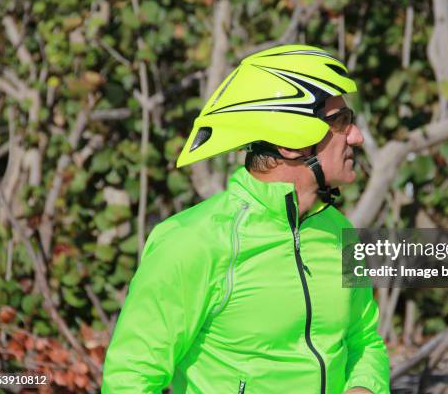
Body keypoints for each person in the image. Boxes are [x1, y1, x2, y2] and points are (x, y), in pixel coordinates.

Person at [102, 45, 389, 393]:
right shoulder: (193, 241)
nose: (356, 136)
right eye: (342, 122)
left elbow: (365, 341)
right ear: (291, 142)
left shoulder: (340, 232)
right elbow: (130, 378)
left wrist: (365, 387)